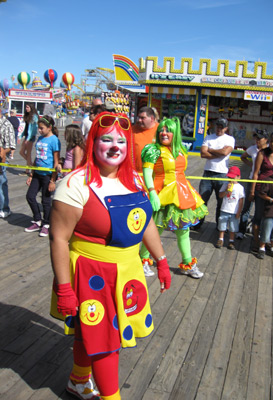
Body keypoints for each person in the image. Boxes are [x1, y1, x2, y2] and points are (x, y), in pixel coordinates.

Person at [49, 111, 171, 400]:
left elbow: (146, 223)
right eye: (106, 139)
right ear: (93, 142)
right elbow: (59, 238)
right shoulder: (75, 184)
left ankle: (79, 381)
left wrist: (162, 260)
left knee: (88, 332)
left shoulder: (135, 181)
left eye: (121, 141)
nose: (115, 146)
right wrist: (65, 288)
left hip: (127, 270)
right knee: (106, 341)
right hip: (92, 274)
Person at [140, 116, 208, 278]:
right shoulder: (153, 149)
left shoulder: (180, 149)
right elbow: (147, 173)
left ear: (175, 133)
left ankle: (188, 263)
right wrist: (152, 192)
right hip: (161, 195)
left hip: (181, 194)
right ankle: (143, 260)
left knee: (183, 231)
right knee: (154, 230)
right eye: (162, 130)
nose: (164, 133)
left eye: (168, 130)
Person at [25, 116, 61, 237]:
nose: (39, 130)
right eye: (38, 128)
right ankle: (37, 220)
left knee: (46, 201)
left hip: (48, 175)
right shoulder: (40, 139)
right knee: (30, 196)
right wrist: (31, 173)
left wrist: (53, 180)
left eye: (42, 128)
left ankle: (46, 224)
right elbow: (37, 157)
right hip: (37, 173)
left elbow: (56, 162)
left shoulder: (54, 140)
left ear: (49, 127)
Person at [196, 117, 235, 229]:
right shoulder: (208, 137)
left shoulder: (230, 139)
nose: (219, 129)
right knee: (202, 200)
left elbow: (225, 152)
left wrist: (210, 150)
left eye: (222, 127)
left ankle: (220, 225)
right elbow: (203, 154)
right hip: (208, 172)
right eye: (218, 126)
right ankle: (198, 223)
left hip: (222, 174)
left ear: (226, 128)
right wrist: (219, 153)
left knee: (221, 202)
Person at [237, 129, 269, 238]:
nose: (257, 140)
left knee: (260, 209)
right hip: (252, 179)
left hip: (264, 183)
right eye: (256, 138)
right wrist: (252, 166)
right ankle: (241, 230)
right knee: (247, 207)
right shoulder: (252, 149)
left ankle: (257, 231)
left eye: (260, 138)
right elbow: (243, 157)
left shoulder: (269, 151)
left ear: (266, 139)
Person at [215, 166, 245, 250]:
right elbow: (220, 195)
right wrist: (226, 191)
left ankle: (231, 240)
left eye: (233, 177)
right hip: (224, 209)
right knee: (222, 225)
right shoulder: (225, 185)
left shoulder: (240, 188)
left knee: (233, 227)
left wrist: (239, 212)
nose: (230, 179)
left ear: (239, 177)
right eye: (229, 177)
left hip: (234, 211)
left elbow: (241, 200)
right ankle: (220, 239)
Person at [132, 107, 158, 173]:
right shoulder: (132, 130)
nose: (139, 120)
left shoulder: (160, 131)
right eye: (139, 117)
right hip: (136, 174)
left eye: (143, 118)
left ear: (152, 118)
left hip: (154, 174)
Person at [0, 108, 16, 218]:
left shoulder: (6, 124)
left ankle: (4, 208)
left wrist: (3, 152)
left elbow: (11, 145)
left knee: (1, 183)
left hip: (1, 158)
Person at [19, 104, 39, 175]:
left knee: (28, 153)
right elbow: (26, 128)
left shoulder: (34, 117)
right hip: (27, 136)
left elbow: (33, 129)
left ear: (31, 108)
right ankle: (31, 164)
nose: (26, 108)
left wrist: (29, 138)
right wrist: (21, 136)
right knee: (21, 152)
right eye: (26, 107)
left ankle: (27, 171)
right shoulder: (27, 116)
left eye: (27, 107)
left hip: (31, 137)